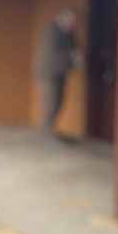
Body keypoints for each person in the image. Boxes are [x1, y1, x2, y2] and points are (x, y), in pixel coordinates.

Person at [36, 8, 81, 138]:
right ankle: (45, 130)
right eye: (73, 22)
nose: (74, 25)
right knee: (50, 99)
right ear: (65, 18)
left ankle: (50, 128)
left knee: (59, 99)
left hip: (61, 71)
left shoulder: (69, 34)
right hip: (49, 72)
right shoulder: (52, 31)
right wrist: (72, 57)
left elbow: (74, 48)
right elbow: (53, 52)